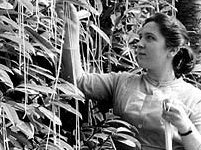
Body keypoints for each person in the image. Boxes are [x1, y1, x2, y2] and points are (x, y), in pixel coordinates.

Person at [56, 3, 201, 150]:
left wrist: (185, 125)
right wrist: (71, 29)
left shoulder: (193, 98)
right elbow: (76, 82)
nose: (139, 44)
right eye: (140, 37)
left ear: (172, 50)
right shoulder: (122, 82)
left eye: (150, 38)